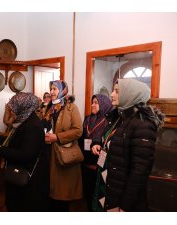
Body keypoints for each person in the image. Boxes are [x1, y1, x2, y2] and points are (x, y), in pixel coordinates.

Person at [91, 78, 165, 212]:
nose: (112, 94)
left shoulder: (143, 124)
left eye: (117, 91)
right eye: (113, 90)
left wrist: (125, 206)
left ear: (130, 94)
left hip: (122, 197)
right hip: (109, 186)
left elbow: (139, 171)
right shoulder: (118, 117)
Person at [0, 92, 50, 212]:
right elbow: (13, 138)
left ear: (23, 107)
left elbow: (25, 154)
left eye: (14, 108)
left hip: (29, 180)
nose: (12, 111)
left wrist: (0, 150)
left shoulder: (32, 126)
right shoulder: (24, 120)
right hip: (20, 175)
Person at [42, 80, 83, 212]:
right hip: (48, 153)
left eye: (55, 89)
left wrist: (57, 137)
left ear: (62, 90)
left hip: (63, 154)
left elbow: (78, 131)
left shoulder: (71, 108)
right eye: (51, 89)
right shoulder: (48, 108)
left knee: (61, 195)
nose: (52, 92)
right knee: (49, 192)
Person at [79, 94, 112, 211]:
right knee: (88, 195)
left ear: (104, 104)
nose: (92, 105)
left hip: (99, 165)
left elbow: (107, 142)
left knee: (98, 196)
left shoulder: (108, 121)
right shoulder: (87, 119)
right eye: (92, 102)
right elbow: (82, 138)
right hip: (85, 163)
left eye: (96, 103)